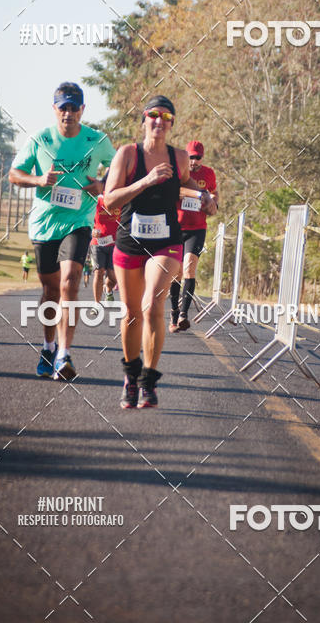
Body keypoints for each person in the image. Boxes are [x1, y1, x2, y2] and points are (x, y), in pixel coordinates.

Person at [104, 96, 210, 409]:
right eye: (153, 115)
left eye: (166, 116)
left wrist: (205, 197)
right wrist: (146, 181)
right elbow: (110, 201)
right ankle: (131, 375)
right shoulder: (127, 154)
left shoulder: (178, 157)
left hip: (166, 242)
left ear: (172, 123)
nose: (159, 121)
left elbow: (187, 185)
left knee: (153, 305)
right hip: (129, 242)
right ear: (144, 120)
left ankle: (149, 380)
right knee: (132, 313)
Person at [9, 82, 115, 380]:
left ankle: (64, 355)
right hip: (44, 224)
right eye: (63, 107)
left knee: (70, 282)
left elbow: (120, 170)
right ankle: (48, 346)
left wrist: (103, 185)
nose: (68, 113)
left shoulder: (97, 140)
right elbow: (14, 175)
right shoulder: (40, 139)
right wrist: (39, 180)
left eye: (74, 107)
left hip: (79, 222)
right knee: (50, 291)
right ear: (54, 109)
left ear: (83, 110)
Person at [169, 140, 218, 333]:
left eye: (197, 158)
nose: (194, 161)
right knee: (176, 272)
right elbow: (173, 191)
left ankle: (183, 315)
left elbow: (214, 195)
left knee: (189, 267)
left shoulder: (208, 173)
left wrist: (212, 204)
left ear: (202, 158)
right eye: (191, 157)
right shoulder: (179, 172)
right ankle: (173, 314)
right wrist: (198, 195)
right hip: (176, 227)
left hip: (197, 228)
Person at [90, 185, 120, 303]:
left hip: (115, 243)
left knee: (113, 277)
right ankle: (97, 303)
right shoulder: (96, 201)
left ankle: (108, 289)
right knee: (98, 272)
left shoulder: (120, 200)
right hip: (98, 242)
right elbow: (87, 216)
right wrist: (91, 229)